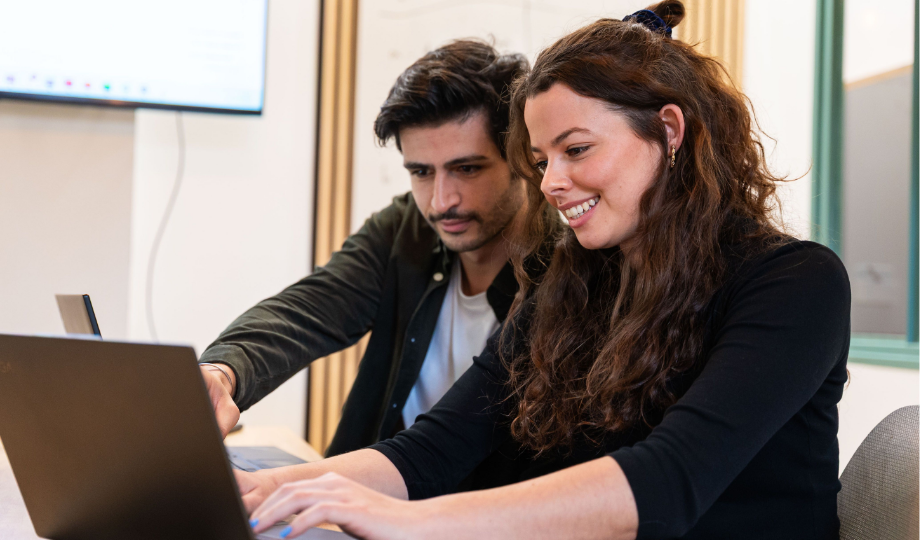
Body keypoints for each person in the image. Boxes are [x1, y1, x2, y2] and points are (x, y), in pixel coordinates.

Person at [237, 2, 851, 539]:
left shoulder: (795, 284)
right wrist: (269, 490)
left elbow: (667, 485)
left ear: (668, 132)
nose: (552, 183)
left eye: (576, 150)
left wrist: (409, 521)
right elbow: (432, 450)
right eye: (540, 158)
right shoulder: (574, 284)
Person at [197, 39, 538, 479]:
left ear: (523, 158)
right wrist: (224, 372)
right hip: (367, 508)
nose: (440, 201)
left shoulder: (563, 270)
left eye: (467, 169)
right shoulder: (405, 230)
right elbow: (305, 311)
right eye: (421, 172)